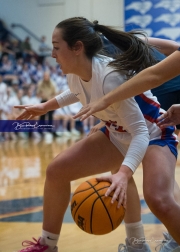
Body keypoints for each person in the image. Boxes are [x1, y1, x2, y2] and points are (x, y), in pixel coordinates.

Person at [14, 17, 180, 252]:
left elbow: (141, 133)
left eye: (56, 47)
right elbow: (74, 92)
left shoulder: (110, 76)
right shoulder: (74, 70)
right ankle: (47, 245)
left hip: (154, 132)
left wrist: (123, 172)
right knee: (56, 171)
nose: (52, 54)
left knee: (158, 199)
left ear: (77, 47)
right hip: (119, 133)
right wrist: (45, 106)